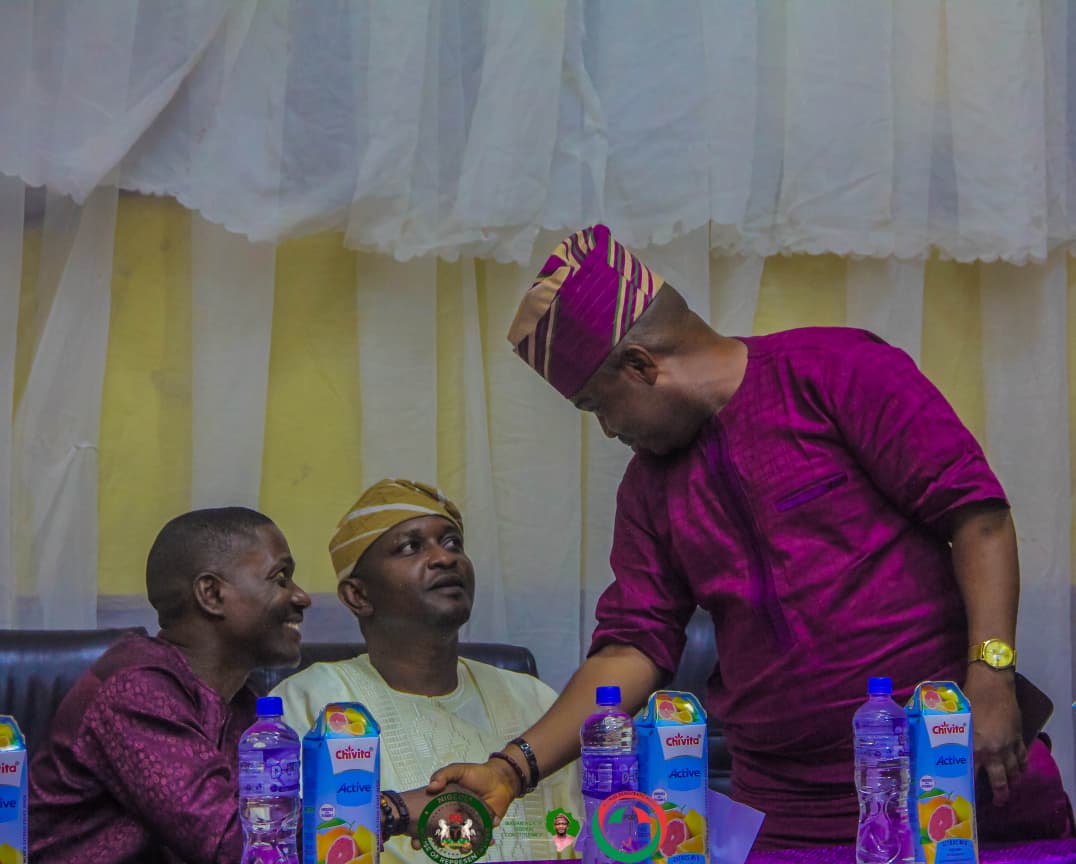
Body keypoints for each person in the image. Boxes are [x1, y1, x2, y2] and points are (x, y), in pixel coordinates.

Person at [428, 224, 1074, 848]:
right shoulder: (648, 489)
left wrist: (991, 678)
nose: (608, 430)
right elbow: (632, 645)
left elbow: (977, 516)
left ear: (641, 365)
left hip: (944, 766)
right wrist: (511, 769)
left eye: (599, 406)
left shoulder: (836, 371)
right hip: (785, 806)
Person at [271, 478, 583, 861]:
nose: (445, 558)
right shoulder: (309, 701)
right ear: (358, 595)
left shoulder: (534, 698)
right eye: (410, 547)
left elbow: (576, 836)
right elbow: (281, 839)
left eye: (452, 543)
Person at [29, 507, 311, 864]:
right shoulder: (135, 690)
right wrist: (370, 815)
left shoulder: (241, 704)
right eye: (280, 578)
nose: (302, 597)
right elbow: (233, 846)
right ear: (211, 593)